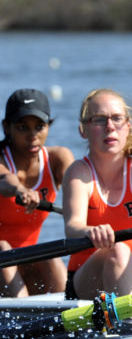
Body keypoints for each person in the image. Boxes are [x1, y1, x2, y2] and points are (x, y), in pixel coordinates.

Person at [62, 88, 132, 300]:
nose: (109, 127)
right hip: (87, 280)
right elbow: (73, 228)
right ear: (83, 130)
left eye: (116, 119)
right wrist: (90, 230)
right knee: (118, 250)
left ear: (127, 127)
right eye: (99, 120)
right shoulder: (78, 173)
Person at [0, 88, 75, 296]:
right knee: (3, 247)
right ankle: (19, 315)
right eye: (23, 127)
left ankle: (67, 316)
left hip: (24, 259)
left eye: (40, 127)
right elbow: (6, 180)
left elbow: (79, 186)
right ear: (7, 127)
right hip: (2, 258)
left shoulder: (57, 158)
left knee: (49, 254)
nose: (33, 136)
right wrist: (20, 190)